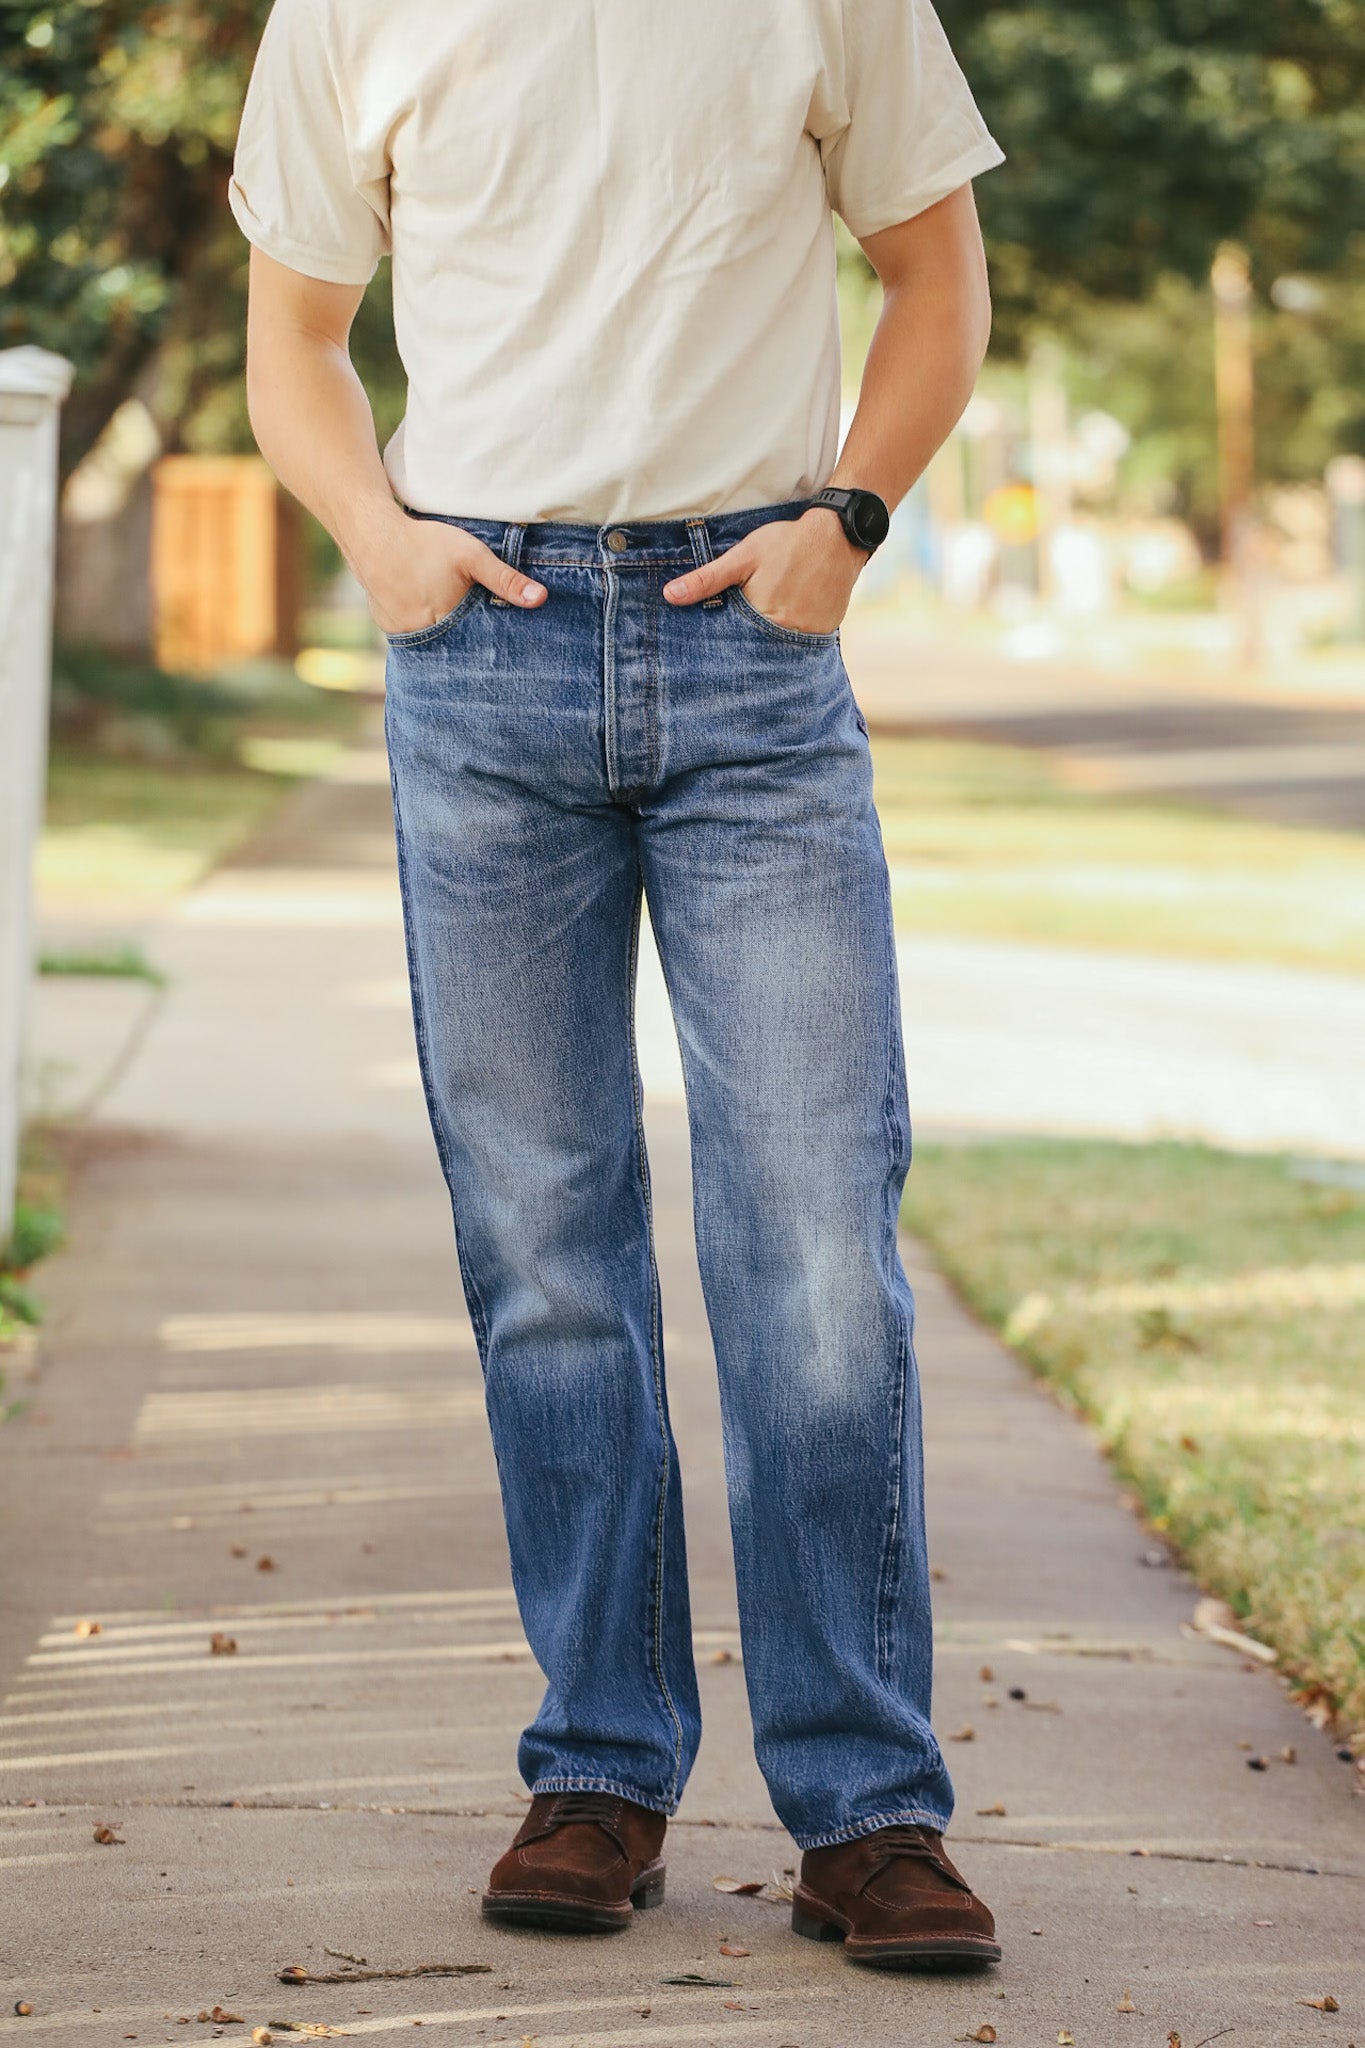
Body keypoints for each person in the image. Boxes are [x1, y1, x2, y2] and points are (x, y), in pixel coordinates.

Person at [228, 0, 1005, 1971]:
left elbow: (932, 280)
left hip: (753, 643)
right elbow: (294, 341)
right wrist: (379, 544)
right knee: (546, 1245)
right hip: (478, 650)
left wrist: (844, 523)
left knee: (811, 1242)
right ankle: (599, 1766)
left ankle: (866, 1808)